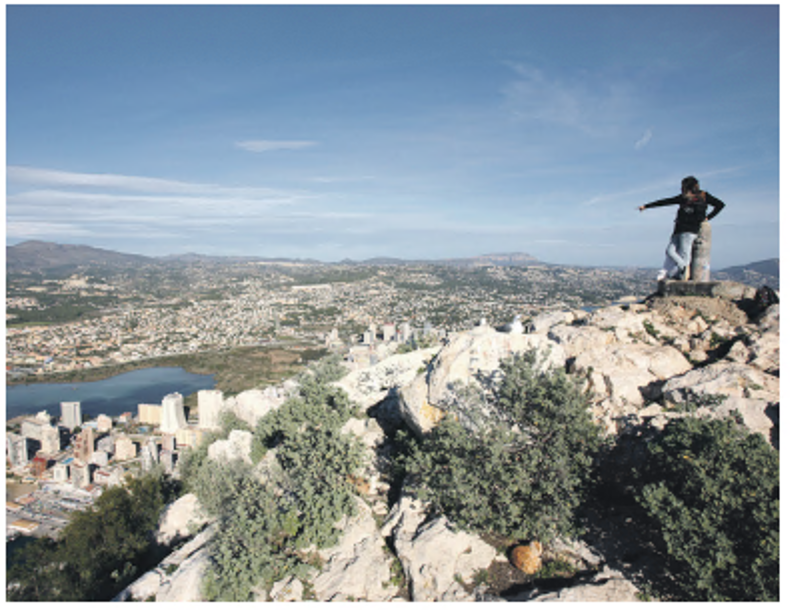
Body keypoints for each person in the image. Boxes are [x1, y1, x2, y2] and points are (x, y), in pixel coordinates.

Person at [638, 176, 725, 280]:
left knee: (685, 254)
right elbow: (666, 201)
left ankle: (682, 275)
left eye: (683, 187)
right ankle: (682, 268)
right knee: (670, 251)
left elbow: (720, 205)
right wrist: (646, 206)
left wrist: (708, 217)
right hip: (678, 228)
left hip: (690, 230)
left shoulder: (704, 196)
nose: (681, 189)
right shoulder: (683, 198)